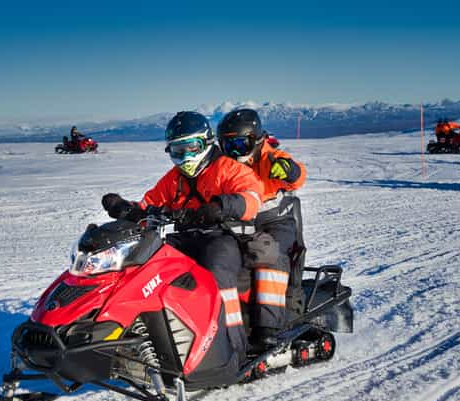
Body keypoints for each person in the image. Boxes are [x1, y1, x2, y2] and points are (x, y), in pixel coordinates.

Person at [101, 111, 263, 363]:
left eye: (191, 148)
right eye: (178, 151)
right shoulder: (174, 179)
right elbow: (150, 204)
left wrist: (223, 206)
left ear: (207, 143)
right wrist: (125, 209)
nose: (186, 157)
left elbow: (252, 198)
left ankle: (233, 346)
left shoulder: (229, 168)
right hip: (185, 237)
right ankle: (154, 337)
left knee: (215, 271)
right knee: (149, 267)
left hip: (223, 237)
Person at [217, 108, 307, 348]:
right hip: (240, 220)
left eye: (239, 144)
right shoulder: (225, 164)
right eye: (227, 145)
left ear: (256, 141)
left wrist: (289, 171)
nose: (234, 152)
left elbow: (297, 174)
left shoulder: (270, 157)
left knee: (269, 254)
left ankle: (267, 327)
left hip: (275, 219)